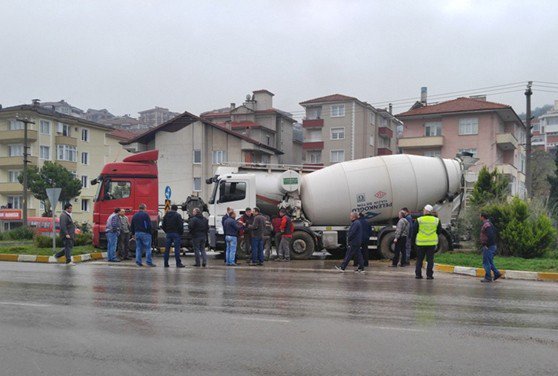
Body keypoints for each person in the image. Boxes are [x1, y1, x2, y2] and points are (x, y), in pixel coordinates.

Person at [415, 204, 441, 280]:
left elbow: (414, 231)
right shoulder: (436, 220)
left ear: (426, 211)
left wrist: (414, 241)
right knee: (430, 260)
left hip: (421, 243)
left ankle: (418, 275)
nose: (423, 211)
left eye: (424, 210)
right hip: (431, 243)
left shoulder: (419, 220)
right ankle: (429, 275)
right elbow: (439, 231)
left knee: (419, 259)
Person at [480, 213, 502, 283]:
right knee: (489, 261)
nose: (479, 217)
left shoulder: (487, 225)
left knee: (486, 262)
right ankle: (496, 273)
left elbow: (491, 235)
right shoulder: (489, 224)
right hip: (492, 246)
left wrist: (486, 244)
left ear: (482, 217)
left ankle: (488, 277)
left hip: (488, 247)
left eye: (480, 216)